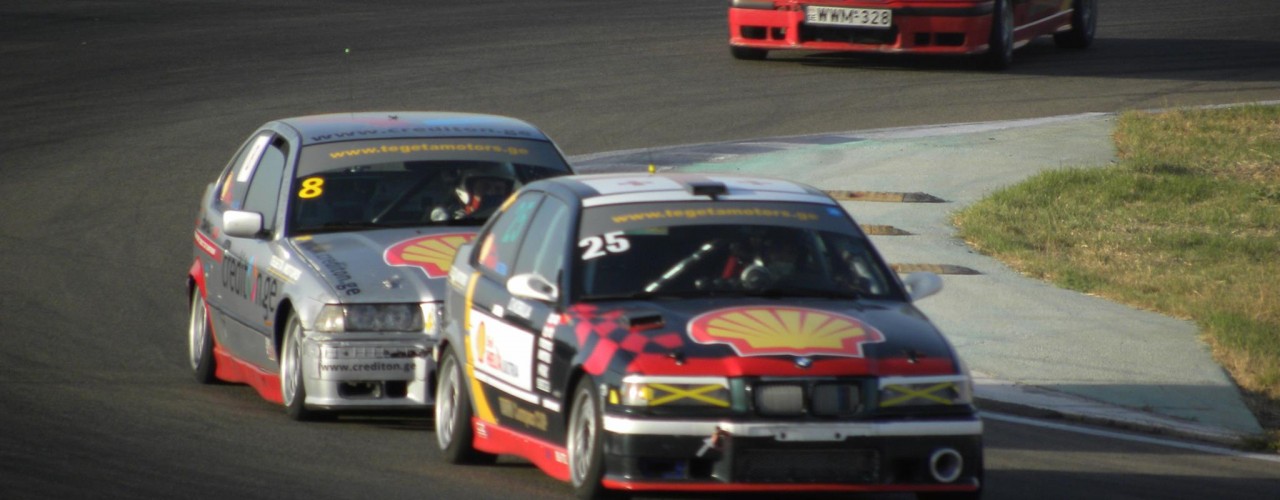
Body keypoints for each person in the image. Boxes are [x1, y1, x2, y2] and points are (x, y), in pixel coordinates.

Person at [431, 174, 514, 221]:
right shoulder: (450, 219)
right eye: (484, 188)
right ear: (467, 191)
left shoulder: (513, 221)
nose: (491, 193)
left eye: (498, 189)